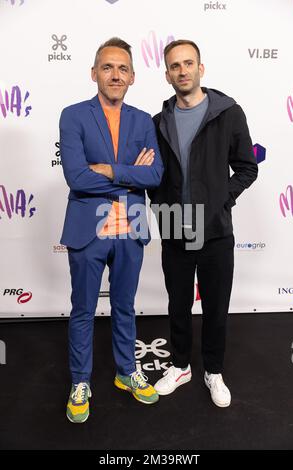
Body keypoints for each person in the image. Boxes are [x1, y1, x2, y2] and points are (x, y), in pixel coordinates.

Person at [59, 37, 164, 423]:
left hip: (131, 230)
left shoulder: (143, 119)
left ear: (133, 77)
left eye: (122, 68)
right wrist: (129, 177)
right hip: (88, 230)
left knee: (124, 307)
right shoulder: (73, 115)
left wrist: (110, 169)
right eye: (107, 67)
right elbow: (76, 177)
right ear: (94, 73)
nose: (115, 75)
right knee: (83, 309)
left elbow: (154, 174)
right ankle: (80, 381)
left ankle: (126, 372)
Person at [149, 39, 258, 407]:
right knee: (178, 305)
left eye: (188, 63)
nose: (182, 70)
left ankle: (213, 370)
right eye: (175, 66)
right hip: (175, 230)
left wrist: (219, 201)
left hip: (214, 232)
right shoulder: (159, 122)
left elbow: (246, 167)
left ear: (201, 68)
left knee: (215, 307)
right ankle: (180, 366)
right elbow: (157, 176)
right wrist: (160, 206)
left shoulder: (228, 113)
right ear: (167, 74)